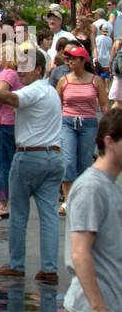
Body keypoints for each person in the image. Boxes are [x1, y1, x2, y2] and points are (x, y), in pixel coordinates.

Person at [0, 49, 63, 282]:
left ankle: (16, 264)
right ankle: (49, 268)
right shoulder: (50, 91)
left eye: (25, 66)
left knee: (18, 213)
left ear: (39, 69)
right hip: (53, 156)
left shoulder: (33, 90)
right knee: (48, 214)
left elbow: (11, 99)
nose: (20, 70)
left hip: (30, 156)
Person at [57, 110, 122, 312]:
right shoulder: (92, 187)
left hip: (110, 304)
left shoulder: (109, 186)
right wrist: (98, 309)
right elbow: (79, 253)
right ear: (109, 142)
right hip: (93, 307)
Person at [57, 44, 110, 214]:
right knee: (68, 161)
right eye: (68, 59)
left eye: (73, 58)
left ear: (82, 60)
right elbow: (56, 104)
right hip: (68, 123)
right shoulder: (63, 80)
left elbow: (104, 104)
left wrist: (107, 128)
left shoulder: (96, 81)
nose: (69, 62)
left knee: (85, 162)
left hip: (88, 123)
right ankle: (68, 200)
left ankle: (83, 198)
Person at [0, 43, 23, 220]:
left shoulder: (7, 74)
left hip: (3, 122)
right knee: (9, 162)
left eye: (1, 53)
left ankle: (3, 203)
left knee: (2, 164)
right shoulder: (14, 74)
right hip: (9, 122)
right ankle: (10, 200)